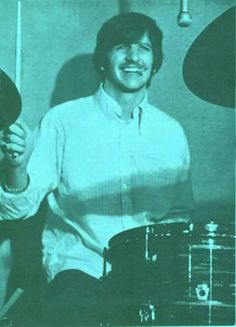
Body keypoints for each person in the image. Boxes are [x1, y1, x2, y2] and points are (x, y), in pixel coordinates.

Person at [0, 12, 194, 326]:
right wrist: (17, 166)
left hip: (148, 278)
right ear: (103, 58)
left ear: (155, 62)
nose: (134, 57)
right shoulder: (62, 121)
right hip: (79, 271)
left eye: (144, 49)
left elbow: (180, 214)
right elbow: (16, 210)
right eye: (122, 46)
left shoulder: (171, 132)